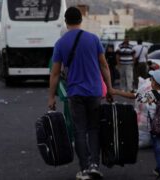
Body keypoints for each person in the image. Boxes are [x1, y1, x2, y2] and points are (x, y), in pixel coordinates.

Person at [48, 7, 113, 180]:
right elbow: (104, 66)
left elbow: (55, 74)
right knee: (94, 129)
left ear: (65, 20)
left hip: (75, 92)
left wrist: (51, 97)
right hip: (94, 92)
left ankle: (84, 169)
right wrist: (110, 88)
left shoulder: (61, 43)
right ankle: (94, 165)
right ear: (81, 19)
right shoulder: (93, 39)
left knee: (79, 130)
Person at [112, 69, 160, 180]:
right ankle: (159, 168)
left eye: (152, 79)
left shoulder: (151, 94)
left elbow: (134, 96)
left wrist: (116, 92)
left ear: (153, 82)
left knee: (158, 148)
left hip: (155, 127)